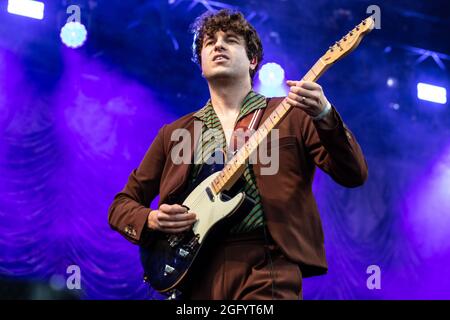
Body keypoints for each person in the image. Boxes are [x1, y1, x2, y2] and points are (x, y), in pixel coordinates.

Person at [108, 9, 368, 300]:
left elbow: (353, 173)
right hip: (191, 270)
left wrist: (324, 114)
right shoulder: (174, 132)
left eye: (230, 40)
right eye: (209, 42)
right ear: (201, 65)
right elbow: (122, 204)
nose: (218, 45)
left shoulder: (293, 114)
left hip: (266, 265)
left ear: (253, 60)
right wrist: (152, 219)